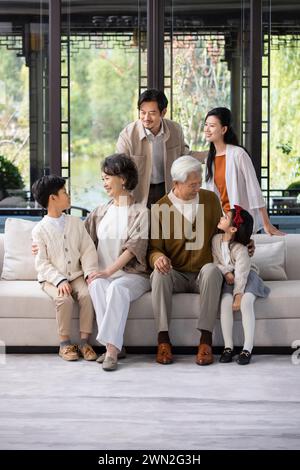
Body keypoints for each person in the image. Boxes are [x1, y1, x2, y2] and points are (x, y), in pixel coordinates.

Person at [149, 155, 224, 366]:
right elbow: (153, 248)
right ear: (176, 184)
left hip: (203, 273)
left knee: (212, 270)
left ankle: (205, 340)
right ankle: (163, 340)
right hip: (177, 274)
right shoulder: (160, 208)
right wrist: (158, 258)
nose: (197, 188)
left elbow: (222, 235)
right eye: (192, 185)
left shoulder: (210, 200)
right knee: (159, 274)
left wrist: (241, 243)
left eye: (199, 183)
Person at [85, 154, 150, 371]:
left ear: (122, 178)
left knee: (116, 288)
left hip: (133, 277)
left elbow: (133, 249)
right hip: (105, 275)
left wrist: (107, 271)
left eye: (107, 178)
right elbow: (80, 238)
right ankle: (115, 345)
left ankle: (111, 351)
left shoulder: (141, 212)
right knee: (95, 284)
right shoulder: (100, 212)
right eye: (102, 179)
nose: (104, 183)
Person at [31, 175, 98, 362]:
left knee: (86, 294)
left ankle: (85, 342)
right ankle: (65, 343)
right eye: (65, 192)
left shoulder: (76, 223)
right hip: (51, 279)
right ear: (53, 198)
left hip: (76, 275)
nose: (69, 196)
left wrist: (89, 272)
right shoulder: (39, 230)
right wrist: (59, 280)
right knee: (64, 299)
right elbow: (42, 263)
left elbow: (87, 250)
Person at [117, 88, 205, 207]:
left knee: (166, 225)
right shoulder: (127, 135)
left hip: (167, 190)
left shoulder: (175, 130)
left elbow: (185, 156)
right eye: (142, 112)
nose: (146, 118)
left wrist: (215, 154)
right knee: (143, 225)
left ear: (163, 112)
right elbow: (119, 172)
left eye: (152, 113)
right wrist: (122, 206)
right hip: (138, 193)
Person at [203, 107, 285, 235]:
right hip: (222, 223)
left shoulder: (238, 154)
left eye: (212, 126)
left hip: (240, 222)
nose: (207, 129)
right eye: (206, 125)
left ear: (224, 129)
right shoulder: (210, 158)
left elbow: (254, 189)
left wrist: (266, 224)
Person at [212, 206, 270, 365]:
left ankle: (247, 348)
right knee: (224, 304)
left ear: (233, 228)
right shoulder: (215, 240)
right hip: (229, 278)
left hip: (246, 277)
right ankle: (228, 347)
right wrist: (225, 272)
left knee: (246, 302)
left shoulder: (241, 248)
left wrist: (238, 295)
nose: (221, 218)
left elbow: (243, 273)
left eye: (225, 218)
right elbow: (215, 262)